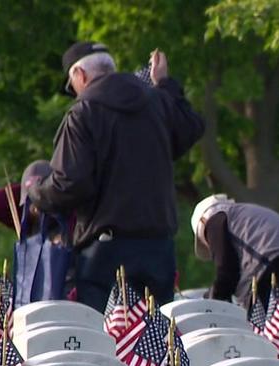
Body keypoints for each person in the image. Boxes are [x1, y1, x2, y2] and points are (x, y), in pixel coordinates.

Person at [23, 42, 204, 312]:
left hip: (105, 252)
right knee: (153, 342)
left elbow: (70, 185)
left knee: (105, 343)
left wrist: (36, 192)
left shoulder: (82, 113)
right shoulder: (157, 101)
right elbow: (191, 127)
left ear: (80, 76)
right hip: (159, 246)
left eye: (72, 86)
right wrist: (165, 84)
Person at [190, 194, 279, 313]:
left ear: (202, 223)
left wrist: (209, 304)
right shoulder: (248, 214)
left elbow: (226, 271)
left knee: (266, 336)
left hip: (275, 267)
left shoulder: (215, 219)